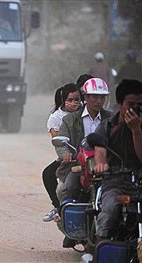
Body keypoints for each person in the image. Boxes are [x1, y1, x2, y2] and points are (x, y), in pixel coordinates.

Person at [55, 77, 112, 248]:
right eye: (94, 96)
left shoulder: (111, 118)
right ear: (85, 97)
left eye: (102, 97)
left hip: (106, 166)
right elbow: (62, 144)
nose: (98, 100)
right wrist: (65, 154)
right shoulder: (70, 119)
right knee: (68, 188)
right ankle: (70, 228)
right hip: (78, 166)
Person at [93, 79, 142, 240]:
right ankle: (102, 246)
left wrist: (136, 130)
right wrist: (101, 164)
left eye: (140, 104)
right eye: (131, 104)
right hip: (115, 182)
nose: (136, 108)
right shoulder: (108, 126)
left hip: (139, 181)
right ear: (121, 104)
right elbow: (100, 149)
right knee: (109, 210)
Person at [42, 83, 81, 222]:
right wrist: (65, 154)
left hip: (90, 155)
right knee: (49, 174)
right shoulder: (57, 118)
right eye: (70, 100)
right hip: (70, 157)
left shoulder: (85, 112)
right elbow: (58, 141)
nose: (74, 103)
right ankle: (60, 207)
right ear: (63, 100)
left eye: (77, 99)